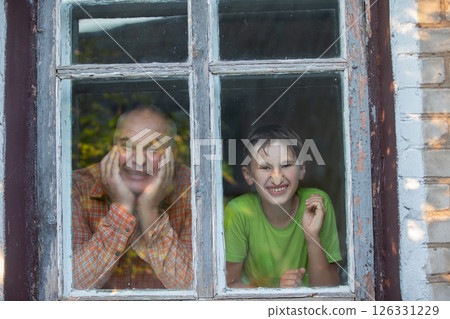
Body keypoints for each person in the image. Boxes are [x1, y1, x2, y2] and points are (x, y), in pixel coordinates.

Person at [72, 105, 192, 290]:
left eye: (153, 148)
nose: (139, 160)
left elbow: (194, 288)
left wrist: (149, 211)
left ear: (172, 155)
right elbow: (73, 287)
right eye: (127, 145)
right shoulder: (78, 187)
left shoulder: (191, 188)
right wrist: (122, 208)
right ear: (112, 148)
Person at [224, 124, 341, 288]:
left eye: (286, 166)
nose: (277, 178)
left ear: (302, 169)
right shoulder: (239, 212)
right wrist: (275, 293)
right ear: (248, 175)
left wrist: (312, 235)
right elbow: (230, 285)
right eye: (265, 167)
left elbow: (330, 290)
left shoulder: (317, 205)